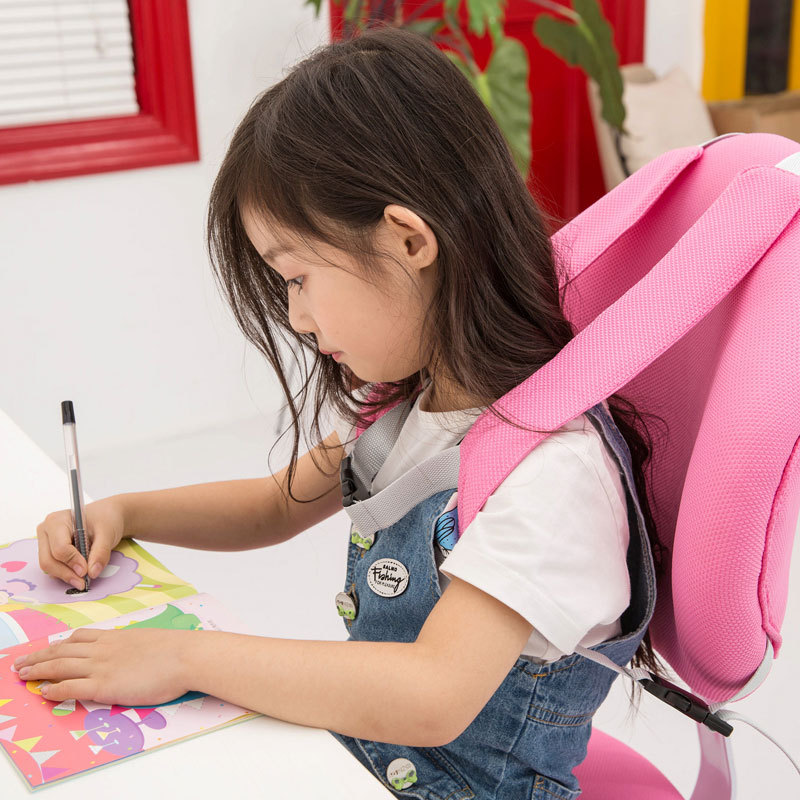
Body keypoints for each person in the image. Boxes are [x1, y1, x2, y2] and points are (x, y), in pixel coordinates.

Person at [27, 24, 670, 799]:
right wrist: (125, 510)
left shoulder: (553, 470)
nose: (296, 318)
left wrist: (185, 657)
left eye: (296, 278)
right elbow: (272, 506)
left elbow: (432, 693)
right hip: (362, 763)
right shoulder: (413, 402)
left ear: (407, 239)